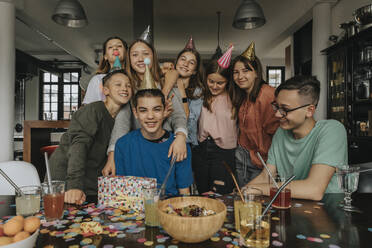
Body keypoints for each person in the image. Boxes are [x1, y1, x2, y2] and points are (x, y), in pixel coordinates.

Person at [246, 75, 348, 201]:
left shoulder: (332, 130)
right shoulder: (281, 132)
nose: (277, 114)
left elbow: (314, 190)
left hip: (328, 210)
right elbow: (266, 176)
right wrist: (241, 192)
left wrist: (258, 189)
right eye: (276, 107)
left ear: (309, 110)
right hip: (293, 206)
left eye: (285, 109)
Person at [102, 39, 188, 176]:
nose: (140, 59)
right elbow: (122, 122)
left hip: (165, 150)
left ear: (153, 57)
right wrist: (112, 155)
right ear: (129, 59)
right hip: (137, 152)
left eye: (145, 54)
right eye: (135, 55)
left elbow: (179, 116)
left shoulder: (168, 86)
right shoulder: (128, 89)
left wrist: (181, 137)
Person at [49, 69, 133, 204]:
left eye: (128, 85)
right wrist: (74, 185)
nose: (124, 88)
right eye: (118, 84)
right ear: (105, 91)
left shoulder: (122, 119)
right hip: (66, 178)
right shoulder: (92, 111)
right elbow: (78, 148)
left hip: (91, 183)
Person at [115, 88, 193, 196]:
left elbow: (184, 194)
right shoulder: (123, 145)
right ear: (135, 112)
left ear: (165, 111)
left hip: (168, 208)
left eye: (156, 109)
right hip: (133, 209)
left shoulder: (180, 147)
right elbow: (121, 192)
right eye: (143, 110)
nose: (150, 116)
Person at [229, 42, 280, 186]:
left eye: (246, 71)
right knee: (245, 202)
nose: (240, 76)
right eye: (236, 72)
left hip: (262, 161)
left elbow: (278, 132)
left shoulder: (267, 94)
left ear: (256, 72)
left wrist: (272, 162)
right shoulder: (243, 95)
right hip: (243, 155)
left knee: (258, 202)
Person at [192, 47, 238, 194]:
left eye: (220, 83)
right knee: (202, 191)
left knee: (220, 192)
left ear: (228, 82)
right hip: (202, 148)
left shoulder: (235, 97)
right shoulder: (201, 94)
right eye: (211, 81)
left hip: (224, 151)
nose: (214, 86)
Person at [161, 45, 204, 145]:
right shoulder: (164, 83)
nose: (186, 64)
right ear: (176, 63)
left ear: (195, 71)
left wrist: (181, 89)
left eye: (191, 62)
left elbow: (189, 120)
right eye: (183, 59)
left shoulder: (198, 92)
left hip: (186, 141)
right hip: (163, 139)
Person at [83, 36, 128, 104]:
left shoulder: (132, 78)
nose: (115, 48)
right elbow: (90, 108)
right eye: (110, 47)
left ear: (126, 53)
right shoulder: (97, 80)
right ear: (105, 56)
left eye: (119, 46)